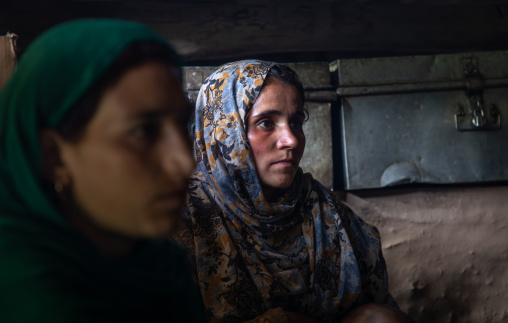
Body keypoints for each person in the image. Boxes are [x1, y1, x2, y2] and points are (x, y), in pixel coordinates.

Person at [0, 19, 206, 322]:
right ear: (54, 156)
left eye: (182, 125)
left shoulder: (160, 265)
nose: (185, 162)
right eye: (143, 131)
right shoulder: (30, 300)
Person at [179, 60, 412, 322]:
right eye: (266, 123)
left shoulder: (326, 211)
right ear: (224, 132)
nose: (291, 140)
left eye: (297, 122)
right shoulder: (185, 219)